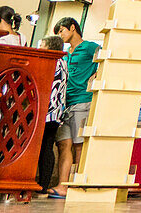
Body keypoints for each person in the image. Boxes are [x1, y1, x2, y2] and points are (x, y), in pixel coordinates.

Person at [53, 17, 99, 198]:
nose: (60, 35)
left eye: (62, 30)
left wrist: (95, 76)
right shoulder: (66, 53)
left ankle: (77, 185)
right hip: (65, 104)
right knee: (64, 144)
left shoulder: (89, 47)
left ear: (73, 28)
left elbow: (107, 58)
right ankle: (62, 185)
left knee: (79, 146)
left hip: (83, 101)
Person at [37, 34, 66, 198]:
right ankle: (43, 184)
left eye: (43, 45)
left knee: (42, 147)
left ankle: (41, 184)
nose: (40, 48)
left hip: (47, 111)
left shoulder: (52, 62)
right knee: (47, 147)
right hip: (56, 112)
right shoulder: (63, 62)